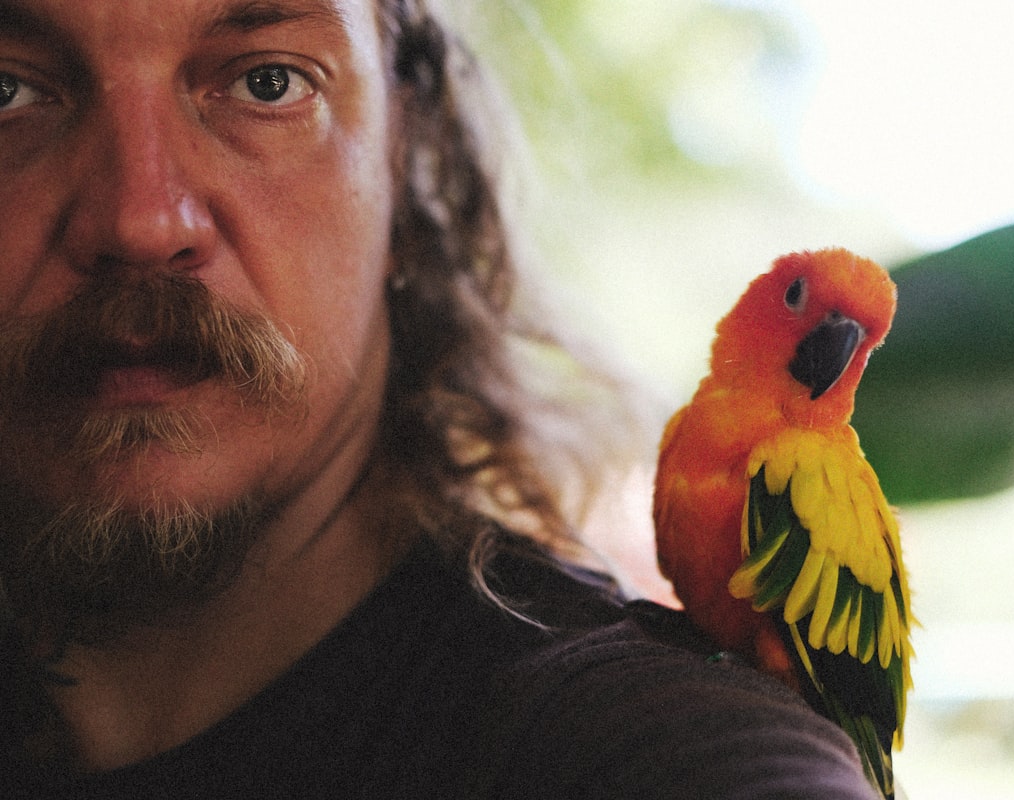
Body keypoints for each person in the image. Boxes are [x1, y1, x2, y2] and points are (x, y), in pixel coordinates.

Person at [0, 1, 882, 797]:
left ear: (410, 162)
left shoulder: (639, 747)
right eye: (6, 89)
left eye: (269, 83)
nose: (140, 223)